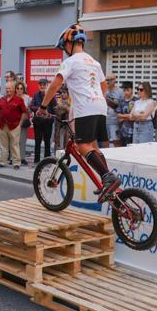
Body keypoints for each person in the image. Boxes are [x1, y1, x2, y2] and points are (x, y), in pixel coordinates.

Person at [37, 23, 120, 201]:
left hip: (86, 107)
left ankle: (107, 177)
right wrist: (95, 98)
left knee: (82, 146)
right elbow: (103, 86)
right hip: (100, 107)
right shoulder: (94, 62)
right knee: (94, 147)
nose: (65, 50)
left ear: (69, 43)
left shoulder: (71, 62)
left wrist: (43, 107)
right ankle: (107, 182)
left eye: (64, 46)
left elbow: (55, 85)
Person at [0, 81, 28, 169]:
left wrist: (20, 123)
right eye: (6, 88)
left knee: (14, 145)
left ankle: (16, 163)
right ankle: (3, 162)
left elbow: (24, 112)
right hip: (2, 126)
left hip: (14, 126)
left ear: (13, 89)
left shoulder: (19, 100)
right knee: (3, 145)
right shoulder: (1, 99)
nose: (7, 90)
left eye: (9, 88)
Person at [30, 79, 56, 164]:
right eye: (41, 85)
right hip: (38, 122)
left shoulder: (51, 95)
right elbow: (31, 106)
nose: (42, 86)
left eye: (44, 85)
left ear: (47, 86)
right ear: (39, 86)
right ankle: (36, 160)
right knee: (37, 141)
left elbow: (55, 108)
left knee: (47, 141)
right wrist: (40, 109)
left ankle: (47, 160)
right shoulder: (35, 95)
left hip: (48, 122)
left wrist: (50, 114)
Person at [105, 73, 124, 147]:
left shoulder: (120, 92)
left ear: (114, 80)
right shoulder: (103, 90)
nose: (107, 82)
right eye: (105, 80)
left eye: (108, 80)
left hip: (114, 121)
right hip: (104, 120)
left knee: (116, 141)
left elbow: (122, 106)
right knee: (105, 141)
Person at [116, 81, 137, 146]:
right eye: (124, 90)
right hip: (122, 131)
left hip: (134, 132)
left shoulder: (136, 101)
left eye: (128, 90)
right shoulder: (121, 100)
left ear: (132, 90)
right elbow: (118, 115)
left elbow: (134, 117)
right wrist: (128, 116)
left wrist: (123, 118)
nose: (126, 92)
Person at [15, 81, 31, 166]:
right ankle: (14, 158)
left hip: (23, 122)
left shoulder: (27, 97)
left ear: (23, 89)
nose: (19, 90)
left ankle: (22, 158)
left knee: (22, 141)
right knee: (14, 141)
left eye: (21, 88)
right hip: (14, 122)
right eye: (17, 88)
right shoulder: (13, 97)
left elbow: (29, 109)